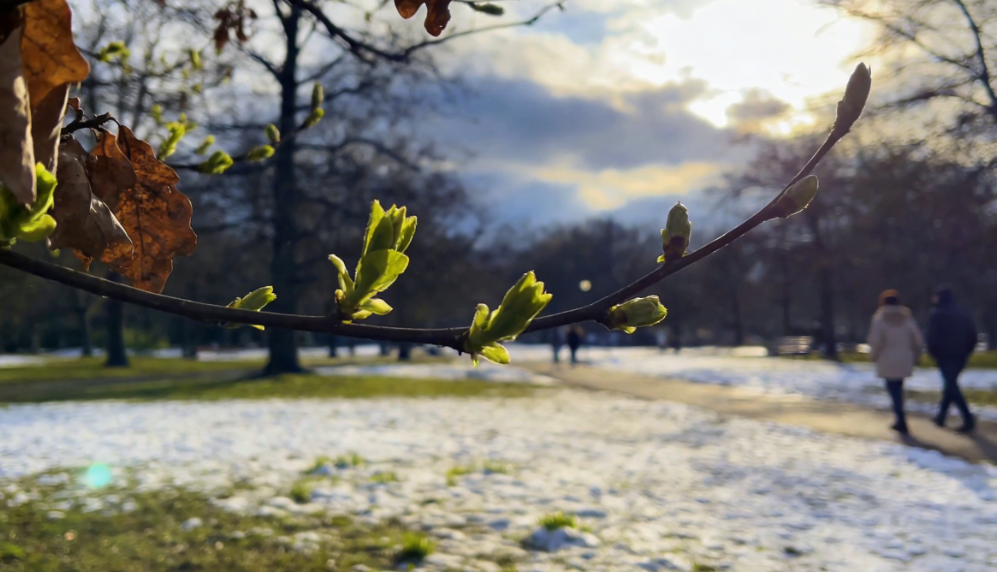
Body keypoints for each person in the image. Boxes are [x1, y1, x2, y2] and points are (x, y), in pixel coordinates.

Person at [868, 289, 924, 435]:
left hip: (887, 358)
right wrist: (916, 354)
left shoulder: (880, 319)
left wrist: (873, 356)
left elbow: (876, 341)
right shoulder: (907, 319)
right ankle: (900, 416)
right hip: (904, 357)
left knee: (892, 389)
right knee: (899, 387)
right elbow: (917, 338)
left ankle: (900, 419)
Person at [927, 286, 977, 432]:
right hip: (960, 355)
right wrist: (967, 351)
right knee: (950, 385)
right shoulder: (963, 313)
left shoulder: (937, 315)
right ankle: (941, 416)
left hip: (945, 355)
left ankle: (968, 418)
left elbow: (932, 337)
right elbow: (972, 335)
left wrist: (934, 353)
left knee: (951, 386)